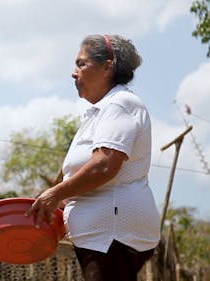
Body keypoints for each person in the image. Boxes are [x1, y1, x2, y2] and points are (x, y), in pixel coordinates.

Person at [26, 34, 160, 281]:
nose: (73, 73)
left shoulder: (119, 104)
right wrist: (63, 204)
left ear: (107, 66)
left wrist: (55, 193)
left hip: (111, 235)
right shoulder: (101, 111)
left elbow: (104, 166)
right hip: (105, 237)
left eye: (81, 64)